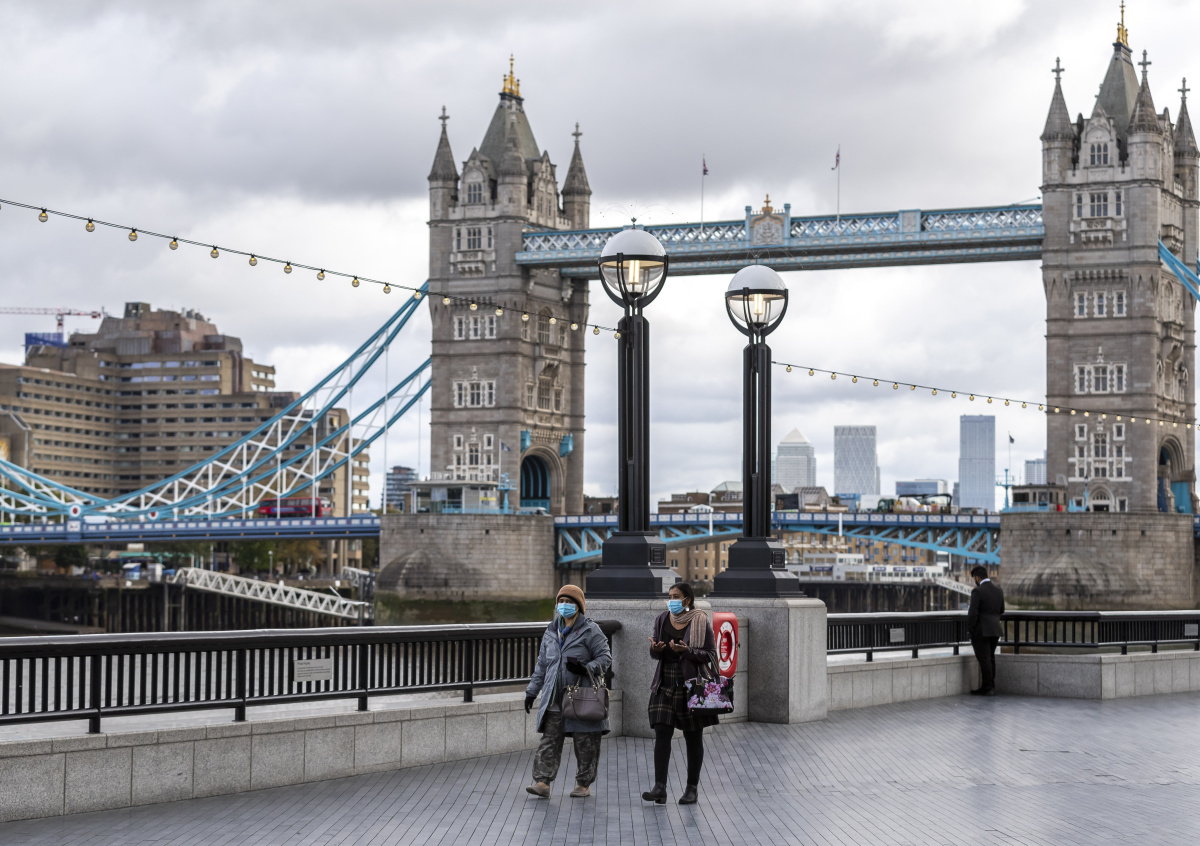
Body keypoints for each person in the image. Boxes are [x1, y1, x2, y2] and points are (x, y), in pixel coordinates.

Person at [524, 584, 612, 799]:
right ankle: (542, 782)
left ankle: (583, 784)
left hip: (582, 696)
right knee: (549, 740)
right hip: (555, 696)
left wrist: (586, 668)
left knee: (586, 742)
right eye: (561, 601)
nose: (564, 606)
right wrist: (532, 691)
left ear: (579, 606)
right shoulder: (551, 631)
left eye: (569, 602)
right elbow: (542, 665)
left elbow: (605, 658)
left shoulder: (590, 630)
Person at [642, 583, 718, 806]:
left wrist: (687, 651)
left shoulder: (700, 620)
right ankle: (660, 787)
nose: (672, 600)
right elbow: (655, 653)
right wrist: (655, 649)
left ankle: (691, 789)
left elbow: (711, 654)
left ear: (687, 599)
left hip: (691, 685)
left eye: (676, 596)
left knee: (693, 737)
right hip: (664, 683)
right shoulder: (662, 618)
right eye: (670, 596)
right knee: (661, 732)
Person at [967, 564, 1005, 696]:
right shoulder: (998, 590)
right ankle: (990, 686)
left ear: (977, 578)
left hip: (982, 631)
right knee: (990, 658)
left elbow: (973, 613)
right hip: (995, 629)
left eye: (974, 579)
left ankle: (987, 687)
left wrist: (971, 629)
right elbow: (1001, 610)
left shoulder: (977, 591)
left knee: (984, 659)